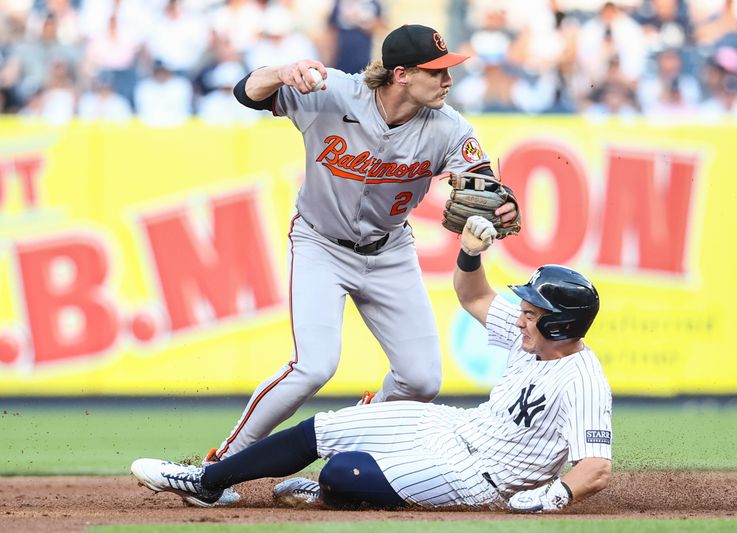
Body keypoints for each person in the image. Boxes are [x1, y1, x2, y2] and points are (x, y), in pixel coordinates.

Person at [195, 23, 519, 505]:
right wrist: (282, 72)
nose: (448, 80)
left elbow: (484, 185)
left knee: (422, 379)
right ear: (402, 74)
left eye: (449, 70)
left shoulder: (450, 127)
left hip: (389, 252)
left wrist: (503, 204)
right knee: (313, 366)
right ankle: (219, 468)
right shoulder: (334, 94)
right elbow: (247, 94)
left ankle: (354, 434)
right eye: (437, 72)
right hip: (320, 244)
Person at [131, 215, 612, 511]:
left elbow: (595, 467)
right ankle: (207, 481)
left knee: (341, 472)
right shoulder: (530, 338)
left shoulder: (583, 378)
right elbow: (475, 294)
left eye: (533, 312)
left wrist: (556, 496)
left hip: (479, 478)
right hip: (455, 427)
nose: (522, 317)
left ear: (560, 325)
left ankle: (331, 494)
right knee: (326, 428)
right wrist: (469, 254)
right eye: (526, 310)